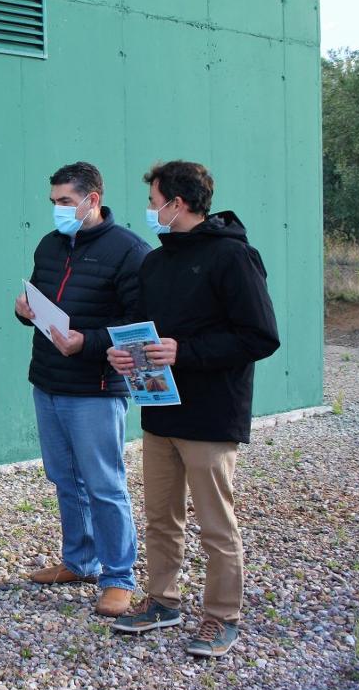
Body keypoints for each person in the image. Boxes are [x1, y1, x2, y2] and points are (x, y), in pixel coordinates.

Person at [108, 161, 279, 657]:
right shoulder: (157, 262)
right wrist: (126, 354)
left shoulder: (234, 257)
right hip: (161, 409)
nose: (150, 210)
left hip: (210, 413)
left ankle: (222, 616)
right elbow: (144, 325)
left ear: (176, 204)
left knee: (214, 522)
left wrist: (186, 351)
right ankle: (163, 601)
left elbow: (260, 336)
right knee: (161, 516)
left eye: (153, 199)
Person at [15, 162, 148, 617]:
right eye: (53, 203)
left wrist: (86, 342)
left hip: (95, 387)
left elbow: (141, 325)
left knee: (104, 484)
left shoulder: (129, 251)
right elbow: (43, 299)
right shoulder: (50, 245)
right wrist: (25, 310)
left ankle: (119, 577)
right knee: (63, 478)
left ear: (93, 200)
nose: (57, 211)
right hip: (48, 380)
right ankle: (80, 561)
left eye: (66, 202)